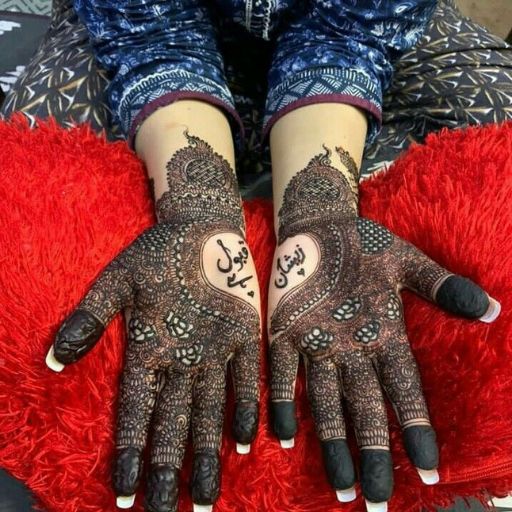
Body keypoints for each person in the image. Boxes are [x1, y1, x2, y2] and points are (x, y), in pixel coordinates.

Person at [11, 0, 502, 511]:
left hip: (358, 45)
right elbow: (149, 41)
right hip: (146, 42)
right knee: (24, 175)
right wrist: (200, 211)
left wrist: (320, 212)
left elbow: (351, 36)